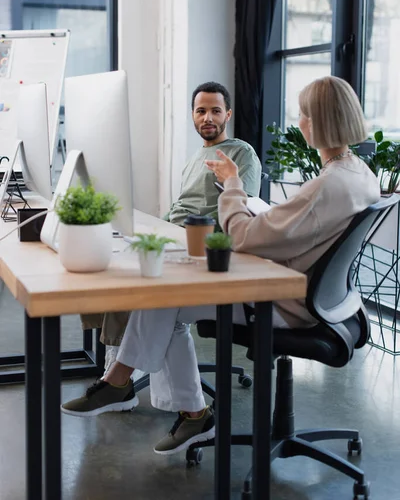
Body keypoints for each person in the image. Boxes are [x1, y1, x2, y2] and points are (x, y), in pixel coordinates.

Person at [62, 75, 380, 456]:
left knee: (167, 301)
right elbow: (301, 227)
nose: (299, 123)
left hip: (286, 302)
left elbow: (243, 235)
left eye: (303, 115)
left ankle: (142, 393)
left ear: (321, 121)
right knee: (165, 300)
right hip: (320, 297)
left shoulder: (327, 185)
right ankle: (157, 398)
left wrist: (231, 185)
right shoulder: (359, 174)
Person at [79, 81, 262, 371]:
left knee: (128, 275)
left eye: (216, 111)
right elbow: (182, 207)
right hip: (174, 233)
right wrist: (151, 228)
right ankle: (115, 349)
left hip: (201, 245)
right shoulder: (193, 159)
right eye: (201, 111)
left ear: (228, 114)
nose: (208, 118)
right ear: (192, 114)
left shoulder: (241, 153)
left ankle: (116, 365)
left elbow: (244, 208)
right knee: (107, 260)